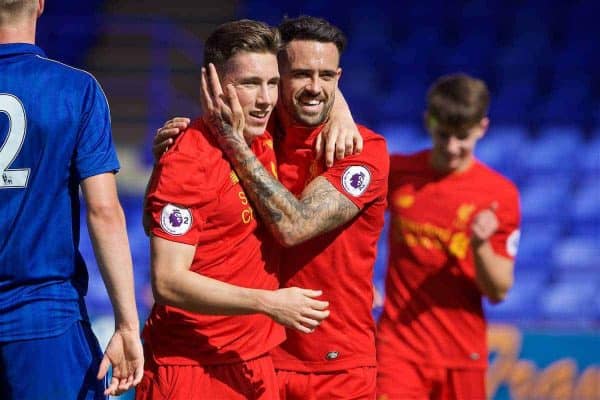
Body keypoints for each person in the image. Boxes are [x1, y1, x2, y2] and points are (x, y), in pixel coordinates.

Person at [137, 20, 331, 400]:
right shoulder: (189, 158)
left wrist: (339, 112)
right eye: (249, 84)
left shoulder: (260, 138)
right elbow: (167, 280)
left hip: (253, 363)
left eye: (272, 83)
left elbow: (318, 84)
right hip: (192, 368)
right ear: (212, 83)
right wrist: (269, 302)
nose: (265, 99)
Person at [198, 16, 389, 399]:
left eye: (327, 76)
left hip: (336, 370)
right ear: (276, 76)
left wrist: (231, 142)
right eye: (301, 74)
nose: (315, 88)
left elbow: (294, 227)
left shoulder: (362, 151)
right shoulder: (255, 139)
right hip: (252, 358)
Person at [0, 0, 143, 398]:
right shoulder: (76, 90)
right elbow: (103, 209)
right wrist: (128, 325)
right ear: (41, 5)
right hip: (45, 318)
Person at [376, 73, 521, 400]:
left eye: (463, 137)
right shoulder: (397, 172)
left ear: (482, 128)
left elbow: (498, 290)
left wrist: (480, 245)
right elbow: (353, 225)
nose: (452, 148)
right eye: (443, 135)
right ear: (428, 121)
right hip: (398, 348)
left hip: (461, 354)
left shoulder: (499, 194)